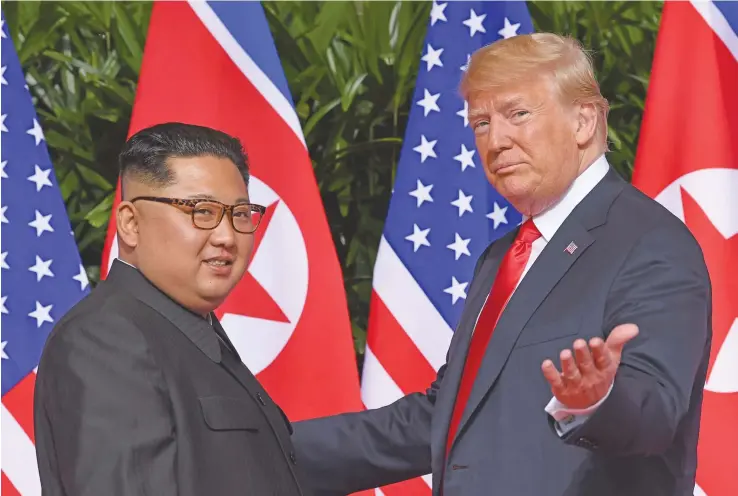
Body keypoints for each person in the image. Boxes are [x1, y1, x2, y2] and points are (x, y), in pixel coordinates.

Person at [291, 33, 711, 496]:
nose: (496, 140)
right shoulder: (503, 256)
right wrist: (264, 447)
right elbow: (447, 416)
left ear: (584, 121)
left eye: (518, 114)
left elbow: (655, 413)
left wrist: (597, 401)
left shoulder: (649, 242)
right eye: (481, 123)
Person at [34, 122, 307, 495]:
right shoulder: (104, 339)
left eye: (240, 214)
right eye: (201, 211)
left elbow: (265, 459)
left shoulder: (184, 326)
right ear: (130, 224)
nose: (227, 236)